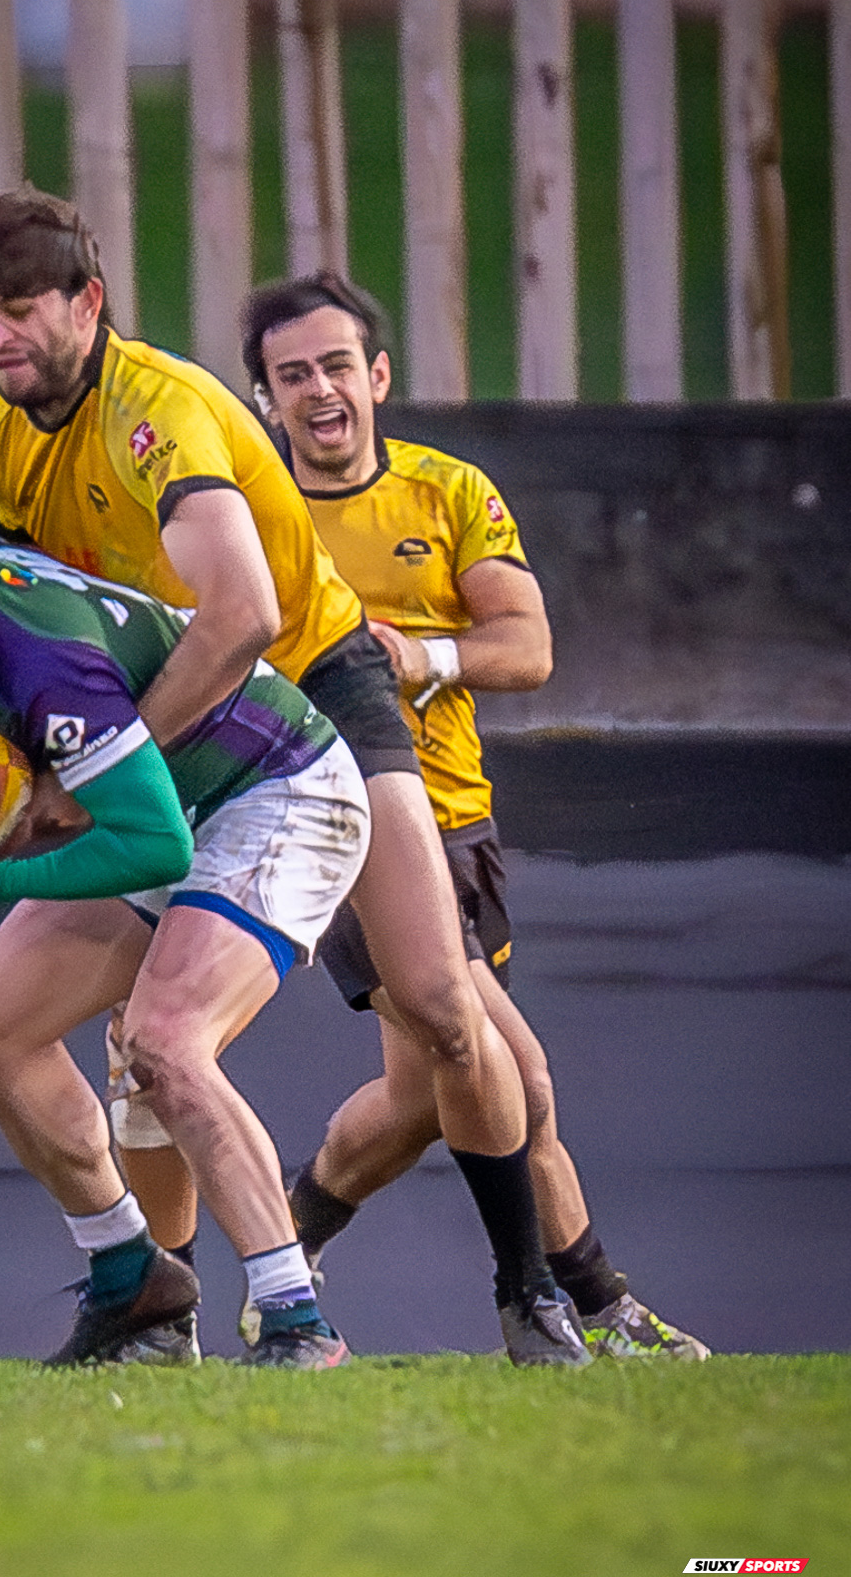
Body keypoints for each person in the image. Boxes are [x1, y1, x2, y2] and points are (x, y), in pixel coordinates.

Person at [0, 186, 590, 1367]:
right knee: (123, 1053)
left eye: (19, 310)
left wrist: (97, 763)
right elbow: (19, 591)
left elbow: (240, 617)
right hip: (172, 709)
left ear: (87, 302)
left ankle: (534, 1295)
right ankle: (161, 1317)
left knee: (442, 1005)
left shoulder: (163, 414)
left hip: (306, 684)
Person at [0, 477, 370, 1367]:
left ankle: (297, 1324)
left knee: (164, 1043)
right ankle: (135, 1283)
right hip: (169, 796)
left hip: (278, 792)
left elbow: (156, 848)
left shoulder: (43, 670)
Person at [225, 270, 708, 1362]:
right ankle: (593, 1307)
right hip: (337, 825)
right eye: (290, 375)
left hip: (459, 829)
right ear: (262, 399)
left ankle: (283, 1256)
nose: (319, 393)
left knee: (419, 1096)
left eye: (336, 366)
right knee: (511, 1071)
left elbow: (526, 649)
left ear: (378, 375)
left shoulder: (449, 493)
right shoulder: (252, 523)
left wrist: (422, 658)